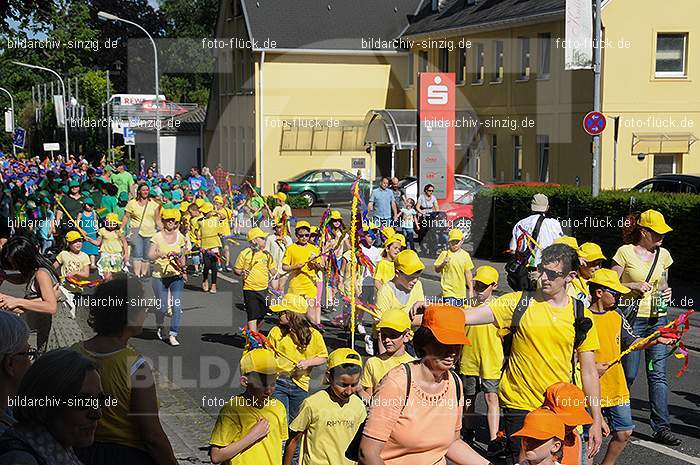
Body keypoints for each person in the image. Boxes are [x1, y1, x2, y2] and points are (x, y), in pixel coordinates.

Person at [461, 243, 603, 462]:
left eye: (553, 274)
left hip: (558, 407)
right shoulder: (519, 301)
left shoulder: (580, 314)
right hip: (519, 405)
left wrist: (596, 418)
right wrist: (431, 310)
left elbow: (589, 372)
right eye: (542, 270)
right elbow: (467, 316)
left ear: (570, 276)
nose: (544, 277)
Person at [358, 304, 488, 465]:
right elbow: (368, 453)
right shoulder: (397, 383)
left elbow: (452, 443)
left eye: (457, 344)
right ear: (424, 343)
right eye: (445, 343)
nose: (453, 351)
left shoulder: (455, 383)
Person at [73, 279, 178, 465]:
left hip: (79, 451)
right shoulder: (135, 365)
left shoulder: (72, 354)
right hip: (124, 455)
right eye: (143, 307)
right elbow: (151, 434)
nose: (146, 312)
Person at [587, 269, 676, 464]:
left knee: (624, 431)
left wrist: (655, 339)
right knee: (590, 438)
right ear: (599, 293)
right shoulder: (583, 317)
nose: (619, 297)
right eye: (615, 293)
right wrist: (590, 366)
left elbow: (632, 341)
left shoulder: (617, 315)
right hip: (590, 386)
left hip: (617, 385)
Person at [611, 209, 678, 446]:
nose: (662, 237)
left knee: (658, 375)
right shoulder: (624, 252)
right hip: (632, 320)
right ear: (644, 231)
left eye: (663, 232)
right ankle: (618, 420)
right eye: (657, 232)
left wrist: (667, 292)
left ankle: (662, 427)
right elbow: (610, 286)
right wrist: (632, 285)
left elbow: (664, 284)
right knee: (628, 374)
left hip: (657, 320)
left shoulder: (664, 255)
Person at [0, 349, 102, 465]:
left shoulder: (54, 447)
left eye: (99, 399)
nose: (97, 413)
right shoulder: (21, 459)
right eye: (82, 401)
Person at [267, 294, 328, 464]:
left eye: (283, 312)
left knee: (296, 427)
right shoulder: (275, 332)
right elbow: (268, 356)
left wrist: (307, 362)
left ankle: (293, 460)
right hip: (278, 382)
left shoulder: (313, 335)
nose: (279, 315)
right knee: (280, 422)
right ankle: (276, 459)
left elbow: (323, 356)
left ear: (293, 315)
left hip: (300, 385)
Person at [0, 235, 82, 353]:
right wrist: (6, 276)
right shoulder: (37, 269)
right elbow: (23, 279)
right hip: (47, 327)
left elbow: (51, 306)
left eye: (14, 262)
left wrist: (16, 301)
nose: (12, 266)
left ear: (24, 259)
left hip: (57, 330)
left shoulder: (41, 274)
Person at [283, 348, 366, 465]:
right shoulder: (312, 404)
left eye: (354, 385)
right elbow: (293, 440)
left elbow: (362, 444)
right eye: (343, 384)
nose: (348, 391)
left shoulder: (358, 405)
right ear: (328, 377)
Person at [209, 349, 287, 465]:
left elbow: (280, 446)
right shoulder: (232, 410)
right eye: (263, 384)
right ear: (245, 382)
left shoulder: (279, 408)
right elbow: (216, 456)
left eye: (273, 383)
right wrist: (253, 436)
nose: (269, 391)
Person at [459, 266, 505, 456]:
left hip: (491, 359)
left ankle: (494, 439)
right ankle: (468, 431)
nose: (478, 289)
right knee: (469, 397)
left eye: (483, 286)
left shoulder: (501, 307)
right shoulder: (467, 304)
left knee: (491, 397)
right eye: (476, 284)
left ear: (494, 286)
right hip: (469, 358)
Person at [149, 209, 189, 346]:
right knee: (162, 307)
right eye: (168, 220)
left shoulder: (181, 237)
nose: (171, 222)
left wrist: (184, 271)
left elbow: (182, 256)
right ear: (164, 221)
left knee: (176, 306)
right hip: (159, 276)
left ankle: (173, 334)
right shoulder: (157, 237)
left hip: (176, 276)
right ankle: (160, 324)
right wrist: (158, 254)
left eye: (173, 220)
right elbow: (149, 256)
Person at [358, 309, 414, 401]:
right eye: (384, 335)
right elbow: (370, 399)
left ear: (406, 336)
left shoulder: (414, 365)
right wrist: (359, 390)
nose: (387, 339)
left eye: (393, 335)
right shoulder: (373, 363)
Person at [281, 221, 325, 325]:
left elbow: (321, 268)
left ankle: (312, 332)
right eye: (301, 235)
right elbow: (284, 267)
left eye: (307, 235)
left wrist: (315, 264)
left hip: (310, 285)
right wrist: (294, 267)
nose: (304, 237)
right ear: (296, 235)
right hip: (295, 286)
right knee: (296, 314)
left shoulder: (314, 249)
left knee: (310, 313)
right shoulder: (291, 248)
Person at [235, 228, 276, 333]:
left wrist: (278, 274)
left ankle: (252, 332)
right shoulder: (245, 253)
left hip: (264, 289)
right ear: (254, 241)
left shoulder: (266, 255)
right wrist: (242, 273)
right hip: (250, 289)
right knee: (252, 314)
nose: (264, 240)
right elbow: (237, 269)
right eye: (262, 238)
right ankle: (253, 339)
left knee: (262, 315)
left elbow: (273, 270)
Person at [542, 382, 593, 465]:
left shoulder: (575, 436)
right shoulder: (536, 438)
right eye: (568, 420)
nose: (572, 425)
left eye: (576, 420)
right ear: (547, 410)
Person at [0, 313, 34, 434]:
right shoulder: (6, 440)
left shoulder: (9, 410)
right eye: (28, 353)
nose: (31, 363)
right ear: (10, 364)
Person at [509, 193, 563, 266]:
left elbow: (513, 249)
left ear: (531, 207)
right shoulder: (553, 224)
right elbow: (560, 246)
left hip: (525, 267)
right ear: (547, 208)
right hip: (547, 267)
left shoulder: (520, 224)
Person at [122, 183, 162, 278]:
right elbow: (126, 217)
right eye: (143, 190)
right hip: (135, 231)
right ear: (139, 191)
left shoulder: (154, 204)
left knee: (146, 255)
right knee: (137, 252)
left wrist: (164, 230)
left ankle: (143, 274)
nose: (145, 192)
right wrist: (121, 228)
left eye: (147, 190)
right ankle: (137, 274)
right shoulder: (132, 203)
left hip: (150, 231)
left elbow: (157, 219)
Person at [434, 228, 474, 307]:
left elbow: (468, 273)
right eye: (452, 242)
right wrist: (443, 264)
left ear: (462, 241)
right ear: (449, 242)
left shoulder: (465, 255)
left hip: (460, 292)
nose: (454, 244)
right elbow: (436, 270)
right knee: (450, 311)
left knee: (458, 315)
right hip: (448, 291)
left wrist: (471, 290)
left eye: (457, 242)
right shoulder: (444, 254)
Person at [86, 213, 129, 281]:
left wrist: (126, 253)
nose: (111, 226)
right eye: (109, 223)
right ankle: (106, 287)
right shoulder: (102, 230)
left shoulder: (118, 232)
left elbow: (124, 243)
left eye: (113, 223)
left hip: (116, 255)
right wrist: (89, 239)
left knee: (116, 275)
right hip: (105, 255)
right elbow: (98, 243)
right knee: (106, 275)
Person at [54, 230, 91, 294]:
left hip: (77, 289)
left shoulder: (85, 256)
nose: (78, 244)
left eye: (79, 241)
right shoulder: (63, 254)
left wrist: (75, 272)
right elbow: (53, 267)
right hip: (64, 288)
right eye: (74, 242)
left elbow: (86, 274)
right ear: (68, 244)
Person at [198, 202, 222, 293]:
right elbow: (196, 231)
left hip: (215, 244)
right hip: (204, 245)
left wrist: (215, 211)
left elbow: (224, 217)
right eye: (203, 212)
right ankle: (205, 279)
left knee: (214, 266)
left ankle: (214, 285)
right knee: (207, 265)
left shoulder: (215, 218)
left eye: (206, 212)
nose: (204, 213)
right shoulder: (200, 220)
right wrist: (198, 240)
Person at [266, 220, 293, 293]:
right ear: (275, 228)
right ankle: (272, 304)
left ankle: (280, 304)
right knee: (274, 289)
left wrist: (286, 244)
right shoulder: (270, 238)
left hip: (283, 269)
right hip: (273, 268)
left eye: (282, 227)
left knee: (281, 288)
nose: (280, 229)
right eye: (278, 227)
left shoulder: (288, 239)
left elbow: (292, 253)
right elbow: (267, 253)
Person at [368, 177, 397, 242]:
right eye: (384, 183)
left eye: (387, 183)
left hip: (387, 217)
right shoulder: (375, 192)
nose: (385, 184)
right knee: (377, 234)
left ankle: (385, 249)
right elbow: (371, 203)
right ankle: (378, 247)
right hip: (377, 216)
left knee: (386, 235)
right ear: (381, 183)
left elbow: (393, 204)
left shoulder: (390, 192)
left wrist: (395, 215)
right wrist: (368, 213)